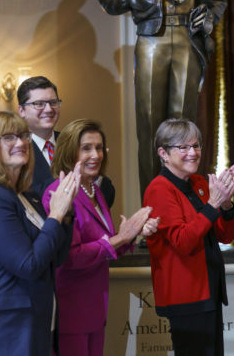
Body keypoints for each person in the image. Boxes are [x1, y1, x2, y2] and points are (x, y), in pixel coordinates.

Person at [99, 0, 226, 194]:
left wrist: (207, 18)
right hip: (151, 40)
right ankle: (153, 207)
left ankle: (184, 204)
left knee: (184, 129)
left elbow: (217, 1)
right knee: (150, 127)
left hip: (187, 38)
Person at [0, 111, 76, 355]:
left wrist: (65, 215)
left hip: (33, 316)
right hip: (5, 323)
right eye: (9, 137)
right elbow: (28, 264)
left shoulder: (27, 196)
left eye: (24, 135)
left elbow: (55, 258)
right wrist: (54, 215)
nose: (21, 142)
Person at [43, 119, 159, 356]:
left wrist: (131, 234)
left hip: (95, 307)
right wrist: (119, 238)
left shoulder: (95, 190)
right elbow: (70, 257)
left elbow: (105, 247)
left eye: (98, 147)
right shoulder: (59, 193)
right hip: (71, 309)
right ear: (69, 151)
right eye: (86, 148)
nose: (95, 155)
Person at [143, 118, 234, 355]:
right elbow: (183, 242)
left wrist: (226, 205)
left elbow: (224, 235)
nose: (193, 153)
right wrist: (213, 204)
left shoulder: (198, 183)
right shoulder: (159, 188)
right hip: (185, 294)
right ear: (163, 153)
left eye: (196, 146)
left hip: (209, 288)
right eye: (183, 147)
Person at [17, 76, 61, 197]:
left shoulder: (72, 141)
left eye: (53, 102)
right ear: (22, 111)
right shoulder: (16, 149)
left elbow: (107, 192)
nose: (49, 109)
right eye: (39, 104)